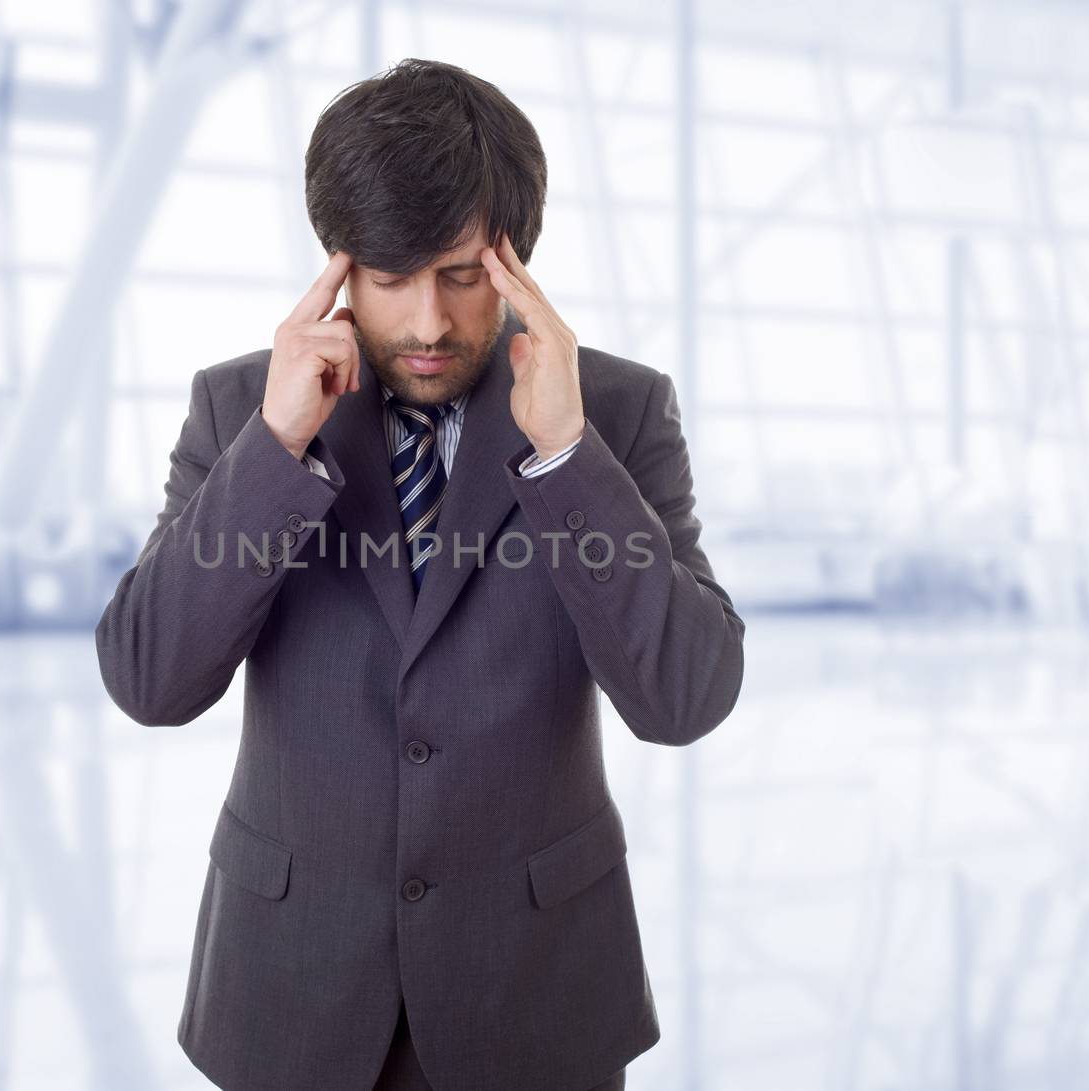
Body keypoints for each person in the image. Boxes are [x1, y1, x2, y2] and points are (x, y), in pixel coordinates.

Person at [95, 57, 746, 1091]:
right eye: (389, 280)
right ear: (337, 265)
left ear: (515, 259)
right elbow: (149, 679)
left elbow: (683, 697)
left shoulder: (612, 412)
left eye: (459, 274)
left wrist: (567, 460)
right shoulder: (241, 411)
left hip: (535, 1000)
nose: (429, 324)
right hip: (290, 995)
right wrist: (275, 451)